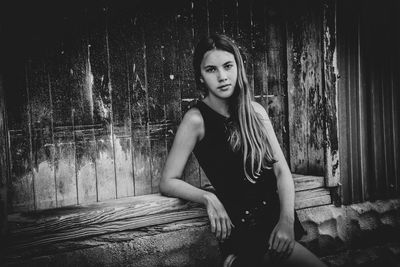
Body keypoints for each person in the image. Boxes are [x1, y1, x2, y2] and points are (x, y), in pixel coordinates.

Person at [159, 34, 327, 267]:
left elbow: (281, 173)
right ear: (200, 76)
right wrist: (208, 198)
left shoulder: (256, 112)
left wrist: (286, 222)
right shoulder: (196, 119)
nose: (222, 77)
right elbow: (168, 181)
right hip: (246, 230)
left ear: (238, 66)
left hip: (278, 224)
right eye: (211, 69)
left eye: (228, 66)